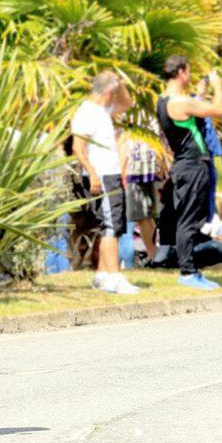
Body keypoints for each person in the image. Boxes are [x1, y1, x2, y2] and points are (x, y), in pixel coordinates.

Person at [157, 55, 222, 289]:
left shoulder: (164, 100)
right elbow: (218, 110)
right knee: (188, 220)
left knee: (191, 217)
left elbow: (190, 120)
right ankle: (187, 272)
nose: (190, 75)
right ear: (181, 72)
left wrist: (200, 94)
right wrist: (217, 85)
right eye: (188, 71)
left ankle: (190, 268)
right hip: (193, 165)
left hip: (185, 164)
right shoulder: (180, 102)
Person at [71, 71, 138, 294]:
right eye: (114, 92)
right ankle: (114, 277)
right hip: (102, 176)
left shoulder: (102, 110)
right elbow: (78, 148)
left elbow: (128, 103)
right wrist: (93, 174)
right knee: (111, 226)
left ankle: (102, 275)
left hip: (110, 174)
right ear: (108, 92)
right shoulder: (86, 112)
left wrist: (121, 82)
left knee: (110, 226)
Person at [118, 117, 167, 262]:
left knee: (147, 216)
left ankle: (157, 255)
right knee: (144, 217)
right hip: (143, 166)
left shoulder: (135, 112)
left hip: (144, 167)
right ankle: (155, 255)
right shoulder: (140, 112)